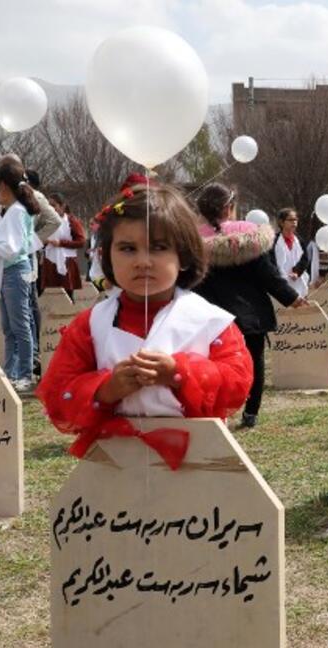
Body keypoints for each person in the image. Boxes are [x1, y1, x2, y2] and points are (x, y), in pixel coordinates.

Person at [36, 184, 252, 468]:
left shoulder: (210, 322)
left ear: (184, 256)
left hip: (198, 464)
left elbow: (236, 382)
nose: (143, 262)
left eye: (159, 248)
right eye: (127, 249)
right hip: (115, 465)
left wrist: (179, 373)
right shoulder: (90, 324)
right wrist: (106, 389)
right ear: (106, 256)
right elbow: (58, 393)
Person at [195, 183, 302, 428]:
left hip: (208, 317)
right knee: (254, 362)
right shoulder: (248, 235)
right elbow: (267, 274)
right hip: (250, 314)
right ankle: (250, 412)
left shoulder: (192, 239)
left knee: (211, 366)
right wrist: (292, 297)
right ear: (229, 207)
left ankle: (216, 413)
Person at [0, 155, 42, 392]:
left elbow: (12, 248)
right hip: (9, 273)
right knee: (9, 327)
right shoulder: (12, 211)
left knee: (20, 325)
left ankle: (24, 373)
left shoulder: (16, 212)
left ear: (4, 185)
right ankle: (11, 371)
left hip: (16, 271)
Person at [39, 192, 86, 296]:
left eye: (54, 205)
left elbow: (81, 242)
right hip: (49, 262)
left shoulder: (71, 221)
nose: (51, 208)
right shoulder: (46, 222)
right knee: (49, 296)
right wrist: (44, 242)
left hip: (66, 262)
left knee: (67, 294)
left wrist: (61, 243)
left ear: (62, 206)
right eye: (49, 206)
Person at [273, 207, 310, 298]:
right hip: (279, 284)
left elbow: (305, 259)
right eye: (290, 220)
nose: (294, 222)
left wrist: (297, 271)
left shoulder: (299, 241)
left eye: (295, 219)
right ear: (281, 222)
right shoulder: (274, 240)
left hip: (297, 283)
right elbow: (270, 261)